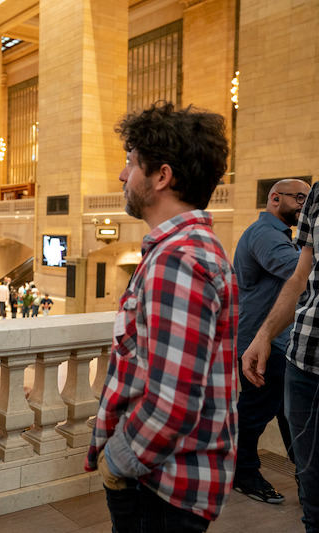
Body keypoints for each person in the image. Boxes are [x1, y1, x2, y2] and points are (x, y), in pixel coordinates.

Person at [86, 102, 236, 531]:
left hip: (161, 486)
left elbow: (174, 403)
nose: (122, 175)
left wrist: (117, 460)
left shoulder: (179, 260)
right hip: (166, 481)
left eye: (131, 163)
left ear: (161, 176)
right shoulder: (191, 249)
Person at [243, 185, 319, 530]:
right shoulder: (266, 234)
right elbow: (300, 273)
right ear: (275, 198)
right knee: (256, 413)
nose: (303, 203)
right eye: (297, 198)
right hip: (271, 343)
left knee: (281, 416)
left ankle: (304, 481)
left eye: (305, 198)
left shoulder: (283, 235)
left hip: (283, 343)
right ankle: (245, 473)